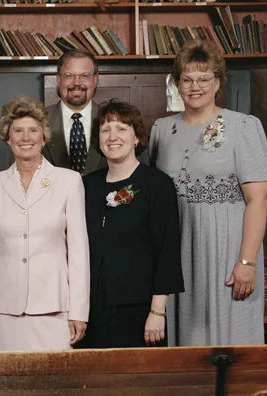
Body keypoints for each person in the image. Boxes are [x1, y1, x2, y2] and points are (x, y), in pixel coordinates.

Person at [149, 39, 267, 346]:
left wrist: (246, 263)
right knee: (185, 348)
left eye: (203, 79)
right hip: (177, 251)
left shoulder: (243, 126)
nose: (195, 86)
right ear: (177, 83)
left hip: (227, 252)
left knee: (230, 345)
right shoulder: (161, 130)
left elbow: (259, 198)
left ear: (218, 81)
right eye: (187, 79)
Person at [0, 96, 90, 351]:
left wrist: (79, 310)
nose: (25, 138)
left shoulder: (68, 181)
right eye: (17, 130)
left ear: (44, 137)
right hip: (5, 311)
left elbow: (79, 252)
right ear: (7, 137)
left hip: (55, 309)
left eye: (33, 130)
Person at [82, 99, 184, 348]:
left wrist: (157, 312)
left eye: (121, 129)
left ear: (137, 137)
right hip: (91, 310)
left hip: (140, 310)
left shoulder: (157, 185)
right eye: (105, 130)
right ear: (98, 140)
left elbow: (167, 252)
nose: (112, 136)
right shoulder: (86, 185)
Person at [44, 49, 105, 175]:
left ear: (95, 80)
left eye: (84, 76)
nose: (77, 83)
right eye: (69, 76)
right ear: (58, 79)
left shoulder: (114, 120)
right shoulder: (38, 120)